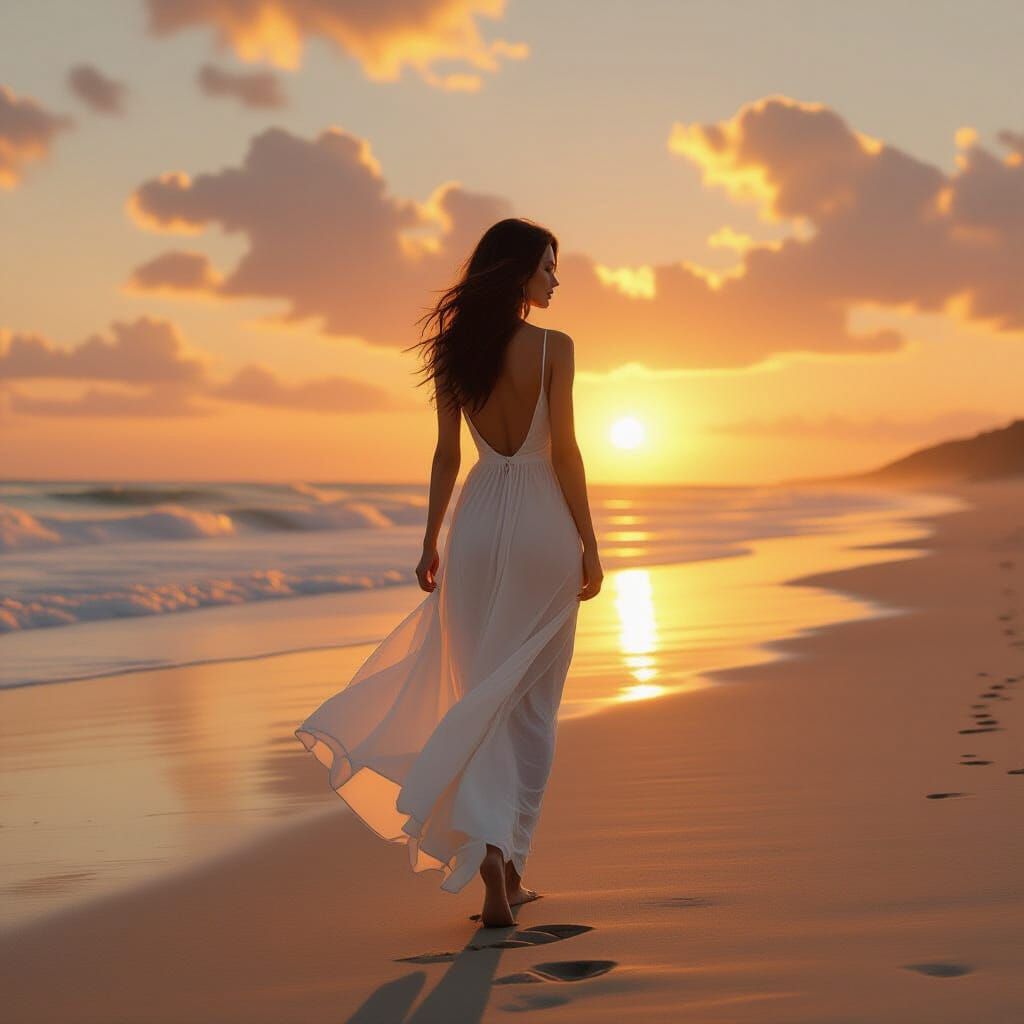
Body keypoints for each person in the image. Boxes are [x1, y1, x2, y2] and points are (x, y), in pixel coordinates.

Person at [295, 217, 603, 928]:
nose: (556, 281)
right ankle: (508, 861)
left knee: (478, 688)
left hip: (476, 525)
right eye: (548, 268)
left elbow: (445, 457)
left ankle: (488, 849)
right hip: (542, 526)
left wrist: (430, 539)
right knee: (528, 705)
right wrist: (589, 542)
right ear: (518, 272)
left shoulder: (452, 352)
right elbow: (565, 453)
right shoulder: (555, 347)